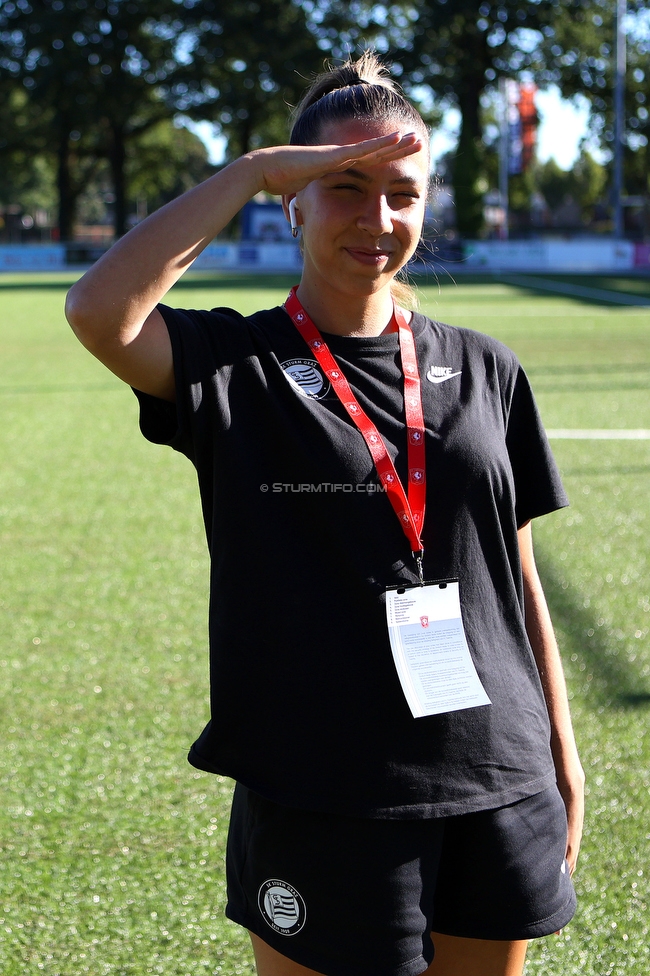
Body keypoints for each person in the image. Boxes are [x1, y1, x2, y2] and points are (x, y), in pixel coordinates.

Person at [66, 52, 584, 976]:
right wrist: (254, 170)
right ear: (292, 201)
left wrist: (560, 751)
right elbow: (101, 312)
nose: (376, 219)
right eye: (342, 185)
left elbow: (518, 578)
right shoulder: (237, 366)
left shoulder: (488, 369)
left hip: (496, 776)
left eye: (401, 192)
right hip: (322, 788)